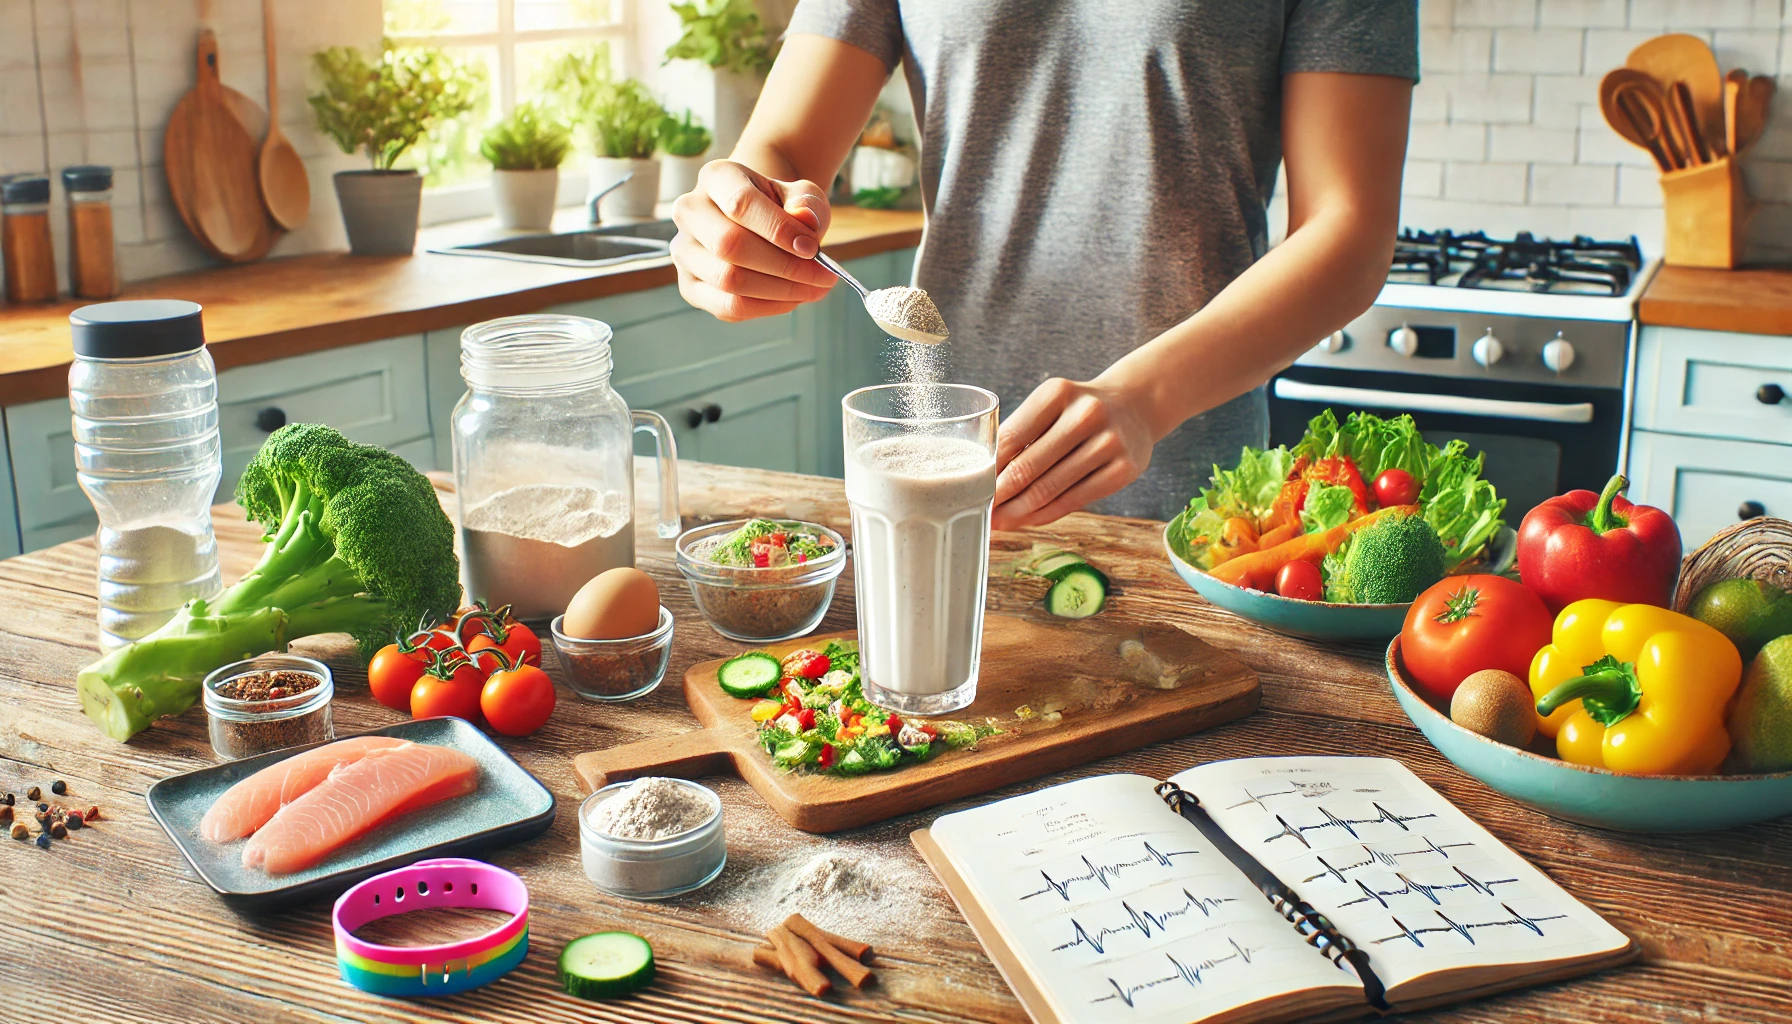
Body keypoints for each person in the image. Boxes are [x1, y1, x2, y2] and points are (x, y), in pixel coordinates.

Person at [669, 1, 1416, 527]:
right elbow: (783, 154)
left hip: (1190, 504)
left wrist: (1143, 399)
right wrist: (739, 220)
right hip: (947, 484)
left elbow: (1348, 231)